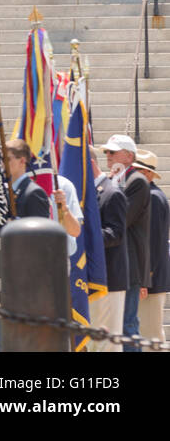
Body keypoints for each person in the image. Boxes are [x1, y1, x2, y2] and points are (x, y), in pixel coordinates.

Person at [103, 133, 150, 351]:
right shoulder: (114, 180)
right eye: (106, 152)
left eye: (113, 151)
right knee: (114, 326)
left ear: (129, 156)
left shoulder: (137, 181)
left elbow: (122, 219)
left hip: (129, 263)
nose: (108, 156)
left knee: (127, 324)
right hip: (114, 261)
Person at [90, 143, 129, 352]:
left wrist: (84, 236)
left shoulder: (112, 193)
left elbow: (116, 234)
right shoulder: (87, 194)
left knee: (108, 345)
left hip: (110, 278)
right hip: (90, 278)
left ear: (90, 164)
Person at [136, 150, 169, 342]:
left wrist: (145, 278)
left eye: (137, 170)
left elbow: (154, 243)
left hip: (151, 279)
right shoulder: (148, 196)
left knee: (150, 336)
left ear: (148, 173)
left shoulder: (153, 198)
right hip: (147, 278)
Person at [4, 139, 51, 218]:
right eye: (1, 159)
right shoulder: (5, 191)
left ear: (22, 161)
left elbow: (41, 229)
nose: (2, 163)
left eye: (7, 159)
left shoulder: (34, 193)